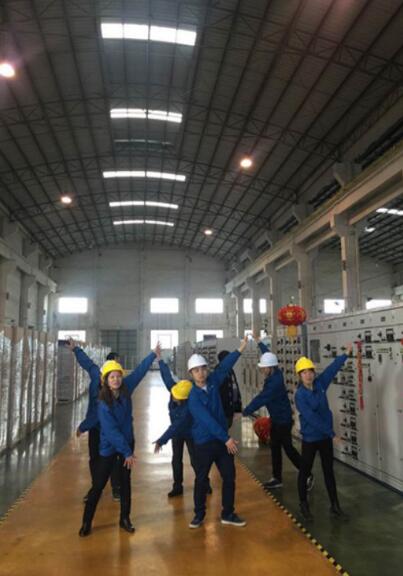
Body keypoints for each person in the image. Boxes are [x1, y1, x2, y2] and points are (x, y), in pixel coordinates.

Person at [79, 344, 159, 537]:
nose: (116, 380)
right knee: (99, 484)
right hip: (109, 447)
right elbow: (111, 431)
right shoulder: (102, 402)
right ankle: (86, 521)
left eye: (118, 376)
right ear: (105, 380)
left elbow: (139, 372)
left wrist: (152, 355)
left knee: (125, 483)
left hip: (127, 444)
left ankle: (125, 519)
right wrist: (127, 452)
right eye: (112, 377)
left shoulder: (126, 388)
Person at [187, 337, 248, 529]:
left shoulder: (213, 381)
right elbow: (207, 421)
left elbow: (224, 367)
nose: (201, 373)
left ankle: (227, 513)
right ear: (191, 374)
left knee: (229, 476)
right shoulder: (193, 397)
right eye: (196, 370)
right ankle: (199, 515)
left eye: (203, 369)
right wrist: (226, 438)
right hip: (205, 442)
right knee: (201, 479)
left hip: (221, 442)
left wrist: (240, 349)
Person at [243, 337, 313, 491]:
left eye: (264, 368)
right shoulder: (276, 372)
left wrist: (245, 411)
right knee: (275, 447)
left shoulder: (273, 383)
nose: (262, 370)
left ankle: (307, 473)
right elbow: (269, 355)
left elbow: (261, 398)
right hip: (277, 419)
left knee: (288, 449)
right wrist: (259, 343)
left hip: (283, 420)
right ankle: (277, 478)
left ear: (270, 368)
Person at [295, 344, 352, 521]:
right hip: (311, 439)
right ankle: (303, 505)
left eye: (310, 371)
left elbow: (331, 369)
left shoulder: (319, 384)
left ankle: (335, 506)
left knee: (329, 471)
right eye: (304, 372)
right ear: (299, 376)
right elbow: (311, 418)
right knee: (305, 471)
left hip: (325, 437)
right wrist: (332, 433)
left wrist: (345, 354)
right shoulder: (300, 395)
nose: (308, 375)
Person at [66, 339, 120, 501]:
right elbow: (88, 363)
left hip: (109, 429)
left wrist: (83, 426)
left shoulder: (115, 388)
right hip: (96, 428)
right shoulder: (96, 375)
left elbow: (98, 413)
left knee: (112, 457)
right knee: (94, 458)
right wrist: (75, 349)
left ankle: (116, 488)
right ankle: (96, 488)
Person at [156, 356, 212, 497]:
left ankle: (204, 483)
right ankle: (177, 486)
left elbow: (177, 425)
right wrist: (160, 360)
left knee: (195, 460)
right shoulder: (176, 390)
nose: (174, 398)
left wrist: (162, 440)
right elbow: (167, 377)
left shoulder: (188, 406)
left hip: (190, 432)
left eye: (177, 398)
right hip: (177, 433)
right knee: (176, 459)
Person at [217, 350, 242, 429]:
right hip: (223, 410)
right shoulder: (218, 372)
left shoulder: (230, 370)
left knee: (228, 426)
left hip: (231, 408)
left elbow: (235, 387)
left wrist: (238, 407)